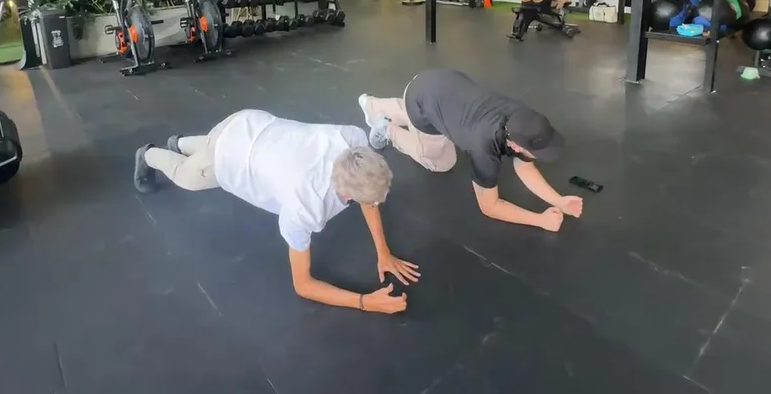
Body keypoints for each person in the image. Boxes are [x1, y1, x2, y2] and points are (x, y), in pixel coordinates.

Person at [132, 109, 417, 314]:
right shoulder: (306, 207)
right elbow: (303, 285)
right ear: (347, 195)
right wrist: (365, 302)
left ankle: (179, 143)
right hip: (231, 156)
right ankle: (148, 154)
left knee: (212, 141)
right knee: (188, 177)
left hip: (250, 122)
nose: (375, 204)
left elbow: (368, 197)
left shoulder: (353, 141)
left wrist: (384, 252)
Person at [358, 68, 582, 233]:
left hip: (438, 80)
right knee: (440, 162)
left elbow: (524, 166)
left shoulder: (523, 119)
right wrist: (540, 220)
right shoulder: (484, 148)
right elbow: (490, 206)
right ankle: (386, 129)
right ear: (515, 145)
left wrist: (559, 201)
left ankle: (373, 105)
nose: (539, 156)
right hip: (422, 101)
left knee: (424, 104)